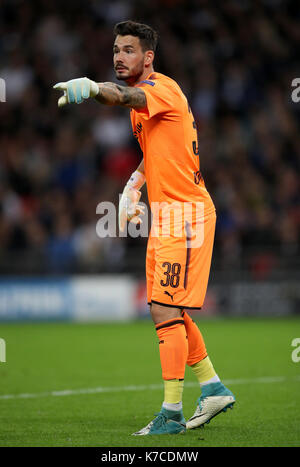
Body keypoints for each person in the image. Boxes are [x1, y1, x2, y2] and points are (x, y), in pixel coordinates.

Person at [53, 20, 235, 436]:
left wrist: (94, 88)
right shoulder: (144, 112)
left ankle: (171, 413)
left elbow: (124, 95)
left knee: (165, 308)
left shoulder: (160, 91)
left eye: (129, 50)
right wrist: (133, 187)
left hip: (187, 216)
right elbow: (155, 156)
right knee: (162, 306)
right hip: (166, 216)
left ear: (148, 57)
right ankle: (213, 386)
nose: (119, 56)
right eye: (116, 49)